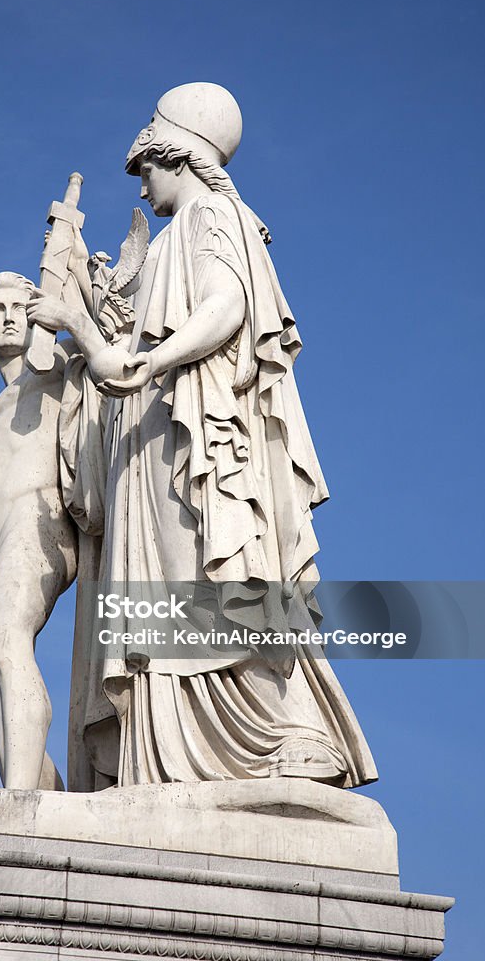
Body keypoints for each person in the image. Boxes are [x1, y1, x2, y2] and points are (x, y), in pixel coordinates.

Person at [30, 84, 377, 791]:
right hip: (158, 433)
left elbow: (225, 305)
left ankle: (282, 733)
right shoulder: (175, 235)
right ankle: (171, 755)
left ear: (176, 154)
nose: (142, 183)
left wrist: (152, 358)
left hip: (196, 435)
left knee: (210, 567)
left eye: (146, 168)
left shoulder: (209, 216)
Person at [0, 270, 78, 790]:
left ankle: (18, 806)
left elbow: (105, 345)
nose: (7, 317)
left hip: (38, 521)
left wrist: (70, 300)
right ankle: (50, 800)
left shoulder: (58, 366)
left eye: (17, 308)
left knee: (8, 642)